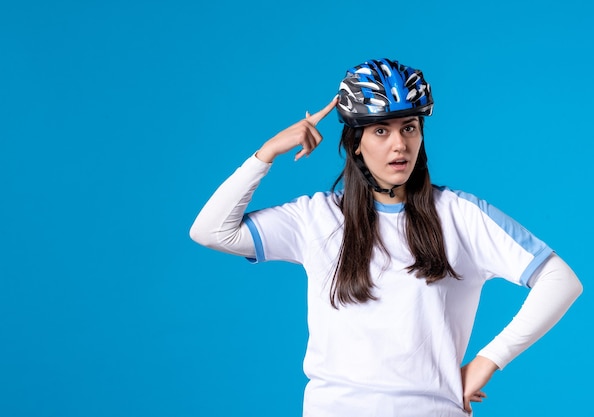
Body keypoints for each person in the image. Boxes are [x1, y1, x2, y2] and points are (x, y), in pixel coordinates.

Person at [189, 57, 582, 416]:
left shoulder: (460, 214)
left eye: (409, 128)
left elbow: (560, 281)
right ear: (355, 143)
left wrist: (487, 361)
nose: (400, 144)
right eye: (381, 130)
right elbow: (211, 231)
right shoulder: (316, 217)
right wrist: (267, 152)